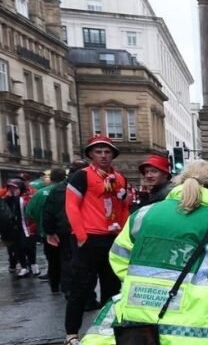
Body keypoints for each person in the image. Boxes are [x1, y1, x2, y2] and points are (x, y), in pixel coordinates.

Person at [99, 160, 208, 344]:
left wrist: (140, 283)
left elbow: (118, 257)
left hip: (140, 322)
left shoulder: (143, 215)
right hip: (196, 329)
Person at [63, 136, 131, 345]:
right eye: (99, 151)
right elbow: (72, 206)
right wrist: (81, 236)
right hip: (90, 238)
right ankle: (71, 334)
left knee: (112, 289)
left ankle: (106, 331)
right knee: (81, 288)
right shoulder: (81, 176)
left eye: (107, 152)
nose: (103, 155)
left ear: (112, 155)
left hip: (113, 238)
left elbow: (124, 208)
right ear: (91, 155)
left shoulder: (119, 178)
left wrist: (125, 237)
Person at [3, 179, 37, 277]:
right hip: (15, 228)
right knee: (17, 248)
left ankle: (34, 265)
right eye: (10, 188)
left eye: (14, 187)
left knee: (29, 247)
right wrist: (8, 197)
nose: (12, 190)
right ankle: (23, 267)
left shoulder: (26, 198)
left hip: (28, 227)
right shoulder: (10, 198)